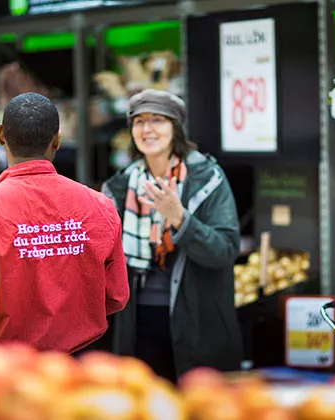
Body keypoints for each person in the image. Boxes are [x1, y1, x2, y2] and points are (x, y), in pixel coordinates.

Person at [0, 92, 129, 354]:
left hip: (11, 374)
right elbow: (115, 297)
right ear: (57, 140)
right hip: (84, 373)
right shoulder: (100, 206)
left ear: (0, 135)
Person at [101, 89, 243, 382]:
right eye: (139, 122)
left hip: (197, 321)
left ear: (175, 127)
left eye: (157, 120)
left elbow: (225, 251)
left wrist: (179, 218)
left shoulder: (208, 179)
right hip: (137, 320)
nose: (147, 129)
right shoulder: (119, 186)